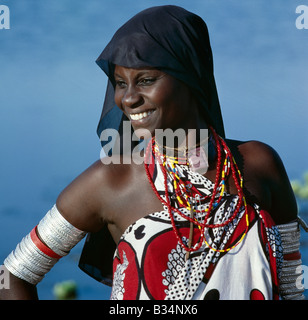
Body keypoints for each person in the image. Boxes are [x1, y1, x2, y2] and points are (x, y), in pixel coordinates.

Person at [0, 5, 306, 300]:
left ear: (190, 77)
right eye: (121, 83)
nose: (128, 98)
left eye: (146, 80)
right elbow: (13, 275)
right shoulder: (111, 181)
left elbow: (292, 286)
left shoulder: (258, 164)